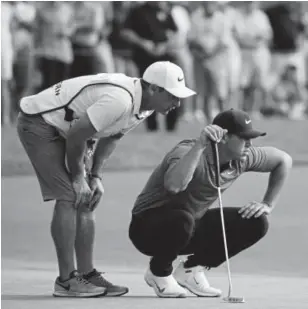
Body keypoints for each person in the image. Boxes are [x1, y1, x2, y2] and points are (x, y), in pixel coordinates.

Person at [17, 61, 195, 298]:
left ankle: (87, 274)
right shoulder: (120, 100)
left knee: (87, 197)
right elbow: (77, 134)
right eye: (173, 95)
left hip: (70, 130)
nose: (178, 103)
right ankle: (66, 281)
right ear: (154, 89)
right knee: (70, 195)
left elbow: (111, 137)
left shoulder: (145, 106)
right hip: (40, 123)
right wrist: (79, 177)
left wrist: (95, 176)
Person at [129, 109, 292, 298]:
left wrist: (267, 204)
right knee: (183, 218)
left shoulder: (241, 158)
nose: (250, 144)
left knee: (257, 221)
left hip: (187, 225)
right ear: (223, 138)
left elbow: (283, 160)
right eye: (244, 138)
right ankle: (159, 272)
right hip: (147, 229)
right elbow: (174, 186)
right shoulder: (188, 152)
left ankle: (190, 270)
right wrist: (199, 146)